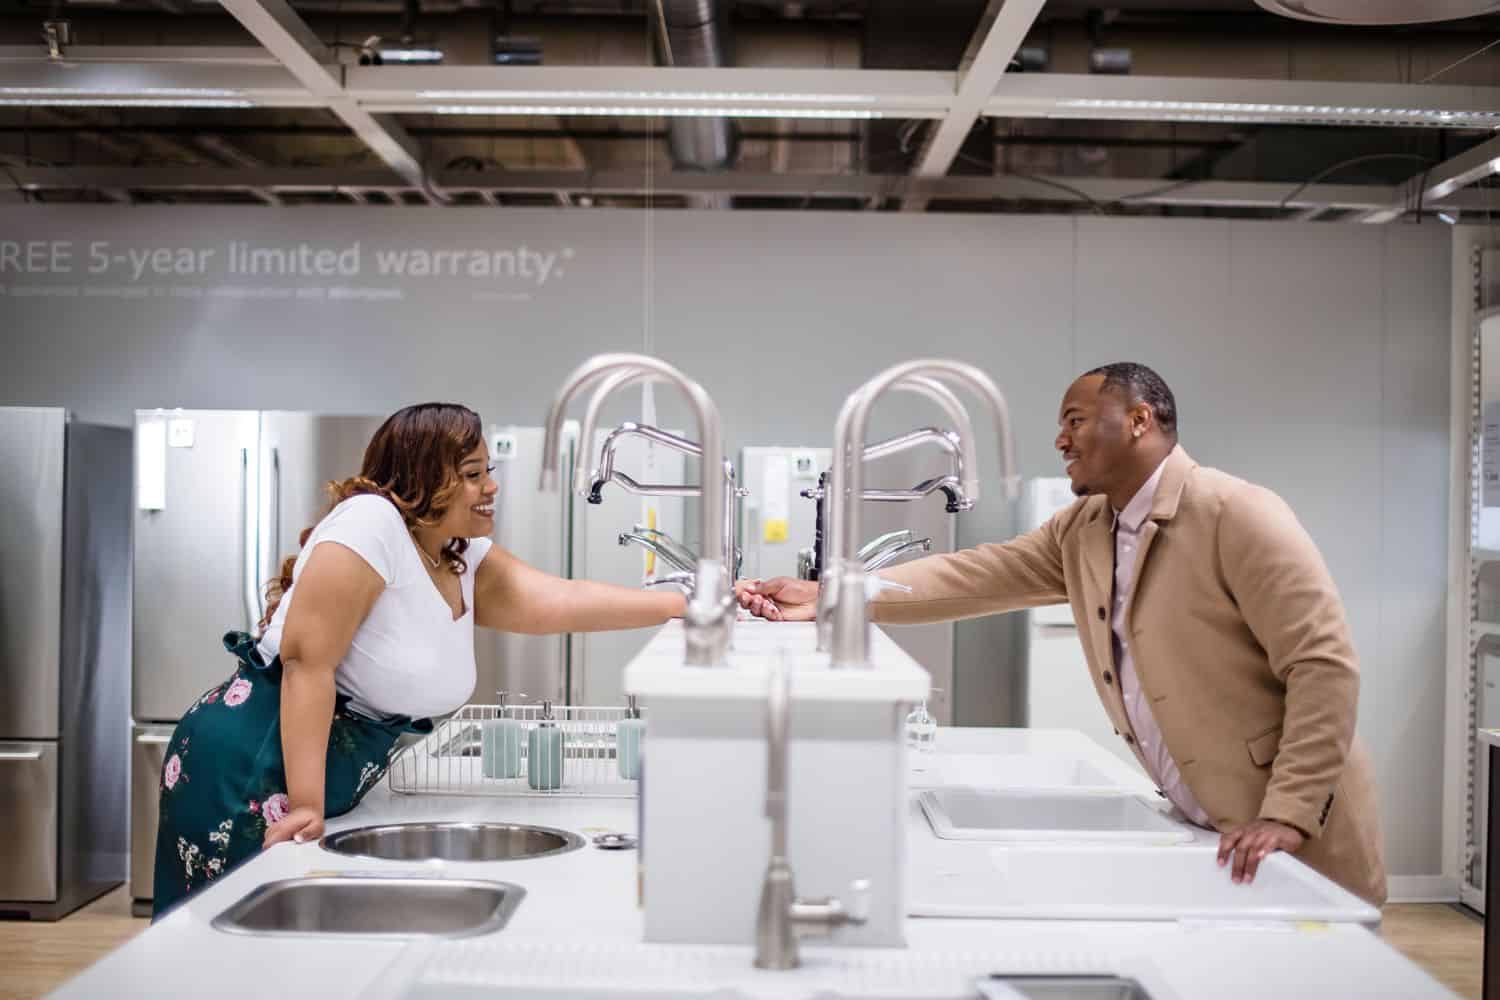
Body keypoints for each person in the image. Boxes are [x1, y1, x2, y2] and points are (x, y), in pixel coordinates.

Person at [740, 363, 1386, 906]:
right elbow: (976, 575)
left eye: (1075, 419)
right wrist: (833, 597)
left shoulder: (1233, 513)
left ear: (1139, 420)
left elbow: (1322, 664)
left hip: (1293, 834)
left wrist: (1287, 812)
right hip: (1210, 828)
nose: (1060, 439)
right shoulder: (1087, 528)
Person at [153, 402, 689, 917]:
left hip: (309, 775)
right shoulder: (369, 524)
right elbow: (305, 665)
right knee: (225, 946)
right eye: (473, 473)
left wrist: (698, 603)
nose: (492, 486)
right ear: (424, 476)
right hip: (252, 766)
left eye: (489, 470)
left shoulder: (452, 554)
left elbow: (561, 600)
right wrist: (306, 805)